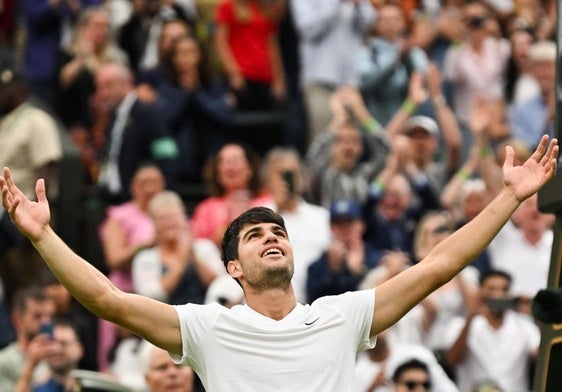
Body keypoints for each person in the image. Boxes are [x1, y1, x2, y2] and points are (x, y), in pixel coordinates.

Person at [0, 135, 558, 391]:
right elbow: (106, 300)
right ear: (233, 269)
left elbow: (438, 265)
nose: (272, 239)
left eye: (279, 233)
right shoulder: (206, 327)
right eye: (254, 236)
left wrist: (509, 198)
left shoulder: (341, 317)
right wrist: (44, 236)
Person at [444, 269, 540, 392]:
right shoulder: (460, 325)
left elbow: (541, 355)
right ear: (480, 291)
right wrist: (471, 317)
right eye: (491, 289)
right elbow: (452, 360)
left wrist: (537, 315)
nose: (498, 294)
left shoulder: (525, 326)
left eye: (504, 289)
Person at [0, 286, 55, 391]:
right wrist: (31, 365)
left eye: (50, 316)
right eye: (37, 316)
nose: (46, 322)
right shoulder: (3, 362)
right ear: (17, 320)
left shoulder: (58, 354)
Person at [14, 318, 84, 392]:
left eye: (64, 344)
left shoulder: (91, 385)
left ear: (79, 349)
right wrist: (30, 365)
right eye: (51, 343)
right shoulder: (39, 388)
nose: (56, 349)